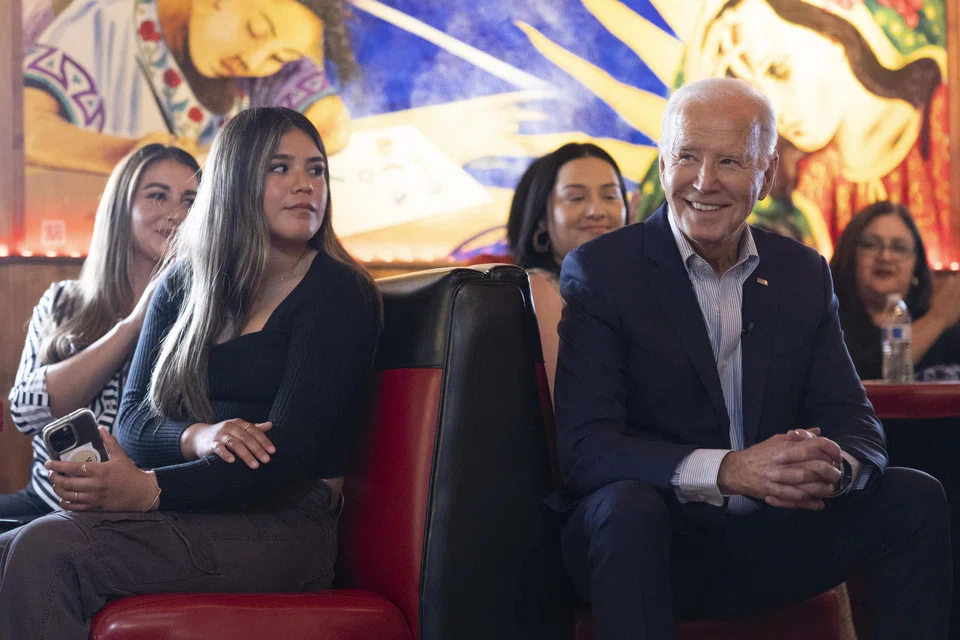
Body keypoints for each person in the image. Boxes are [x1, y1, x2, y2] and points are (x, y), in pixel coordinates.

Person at [551, 78, 950, 640]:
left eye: (730, 161)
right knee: (627, 507)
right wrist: (730, 470)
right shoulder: (604, 272)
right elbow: (586, 451)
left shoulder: (802, 273)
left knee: (915, 497)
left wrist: (830, 471)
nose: (703, 182)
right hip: (647, 544)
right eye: (687, 156)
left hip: (766, 539)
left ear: (766, 174)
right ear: (664, 163)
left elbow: (857, 424)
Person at [0, 107, 382, 640]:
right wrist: (198, 437)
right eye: (279, 168)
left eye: (315, 169)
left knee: (47, 548)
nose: (304, 185)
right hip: (202, 509)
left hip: (289, 526)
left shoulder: (339, 293)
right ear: (234, 182)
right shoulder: (183, 283)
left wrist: (148, 490)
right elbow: (133, 421)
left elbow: (283, 458)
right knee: (8, 548)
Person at [3, 144, 199, 522]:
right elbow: (25, 412)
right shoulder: (64, 300)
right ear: (120, 209)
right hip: (47, 505)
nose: (177, 214)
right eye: (158, 196)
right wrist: (133, 325)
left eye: (190, 201)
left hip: (148, 511)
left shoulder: (206, 314)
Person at [23, 0, 355, 174]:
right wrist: (131, 155)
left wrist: (227, 160)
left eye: (280, 56)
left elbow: (332, 126)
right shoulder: (104, 23)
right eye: (254, 30)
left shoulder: (268, 72)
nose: (253, 61)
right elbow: (26, 129)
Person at [506, 144, 628, 398]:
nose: (597, 211)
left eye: (610, 196)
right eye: (576, 198)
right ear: (541, 218)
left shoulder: (634, 287)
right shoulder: (539, 289)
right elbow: (563, 406)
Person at [831, 201, 960, 381]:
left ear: (916, 263)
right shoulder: (828, 322)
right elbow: (854, 377)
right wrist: (937, 319)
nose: (885, 256)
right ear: (850, 255)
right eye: (870, 245)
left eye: (899, 247)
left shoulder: (945, 328)